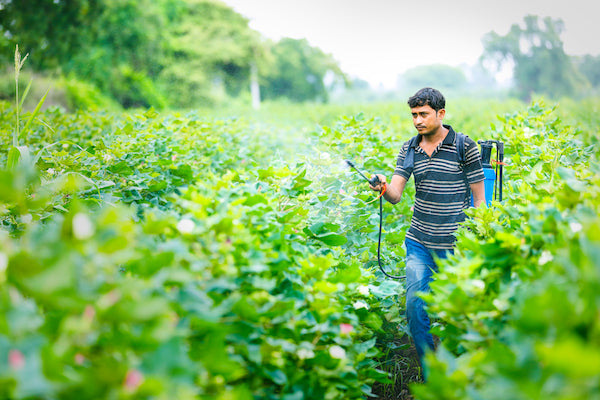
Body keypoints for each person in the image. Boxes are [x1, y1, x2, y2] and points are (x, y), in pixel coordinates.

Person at [369, 87, 486, 377]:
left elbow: (479, 199)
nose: (418, 120)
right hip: (419, 240)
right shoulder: (410, 148)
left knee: (455, 313)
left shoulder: (464, 146)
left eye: (423, 114)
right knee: (414, 309)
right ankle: (430, 373)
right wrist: (382, 185)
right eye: (414, 115)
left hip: (455, 244)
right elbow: (396, 194)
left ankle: (455, 372)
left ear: (440, 114)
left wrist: (478, 237)